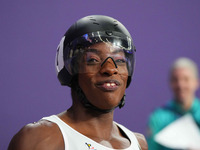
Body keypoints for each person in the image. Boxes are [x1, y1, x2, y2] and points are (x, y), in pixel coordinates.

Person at [8, 15, 148, 150]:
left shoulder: (139, 144)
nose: (110, 69)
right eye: (93, 60)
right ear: (70, 69)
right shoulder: (39, 139)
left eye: (119, 60)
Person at [147, 57, 200, 150]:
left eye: (186, 79)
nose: (180, 85)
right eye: (175, 80)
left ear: (196, 82)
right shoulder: (158, 118)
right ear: (170, 83)